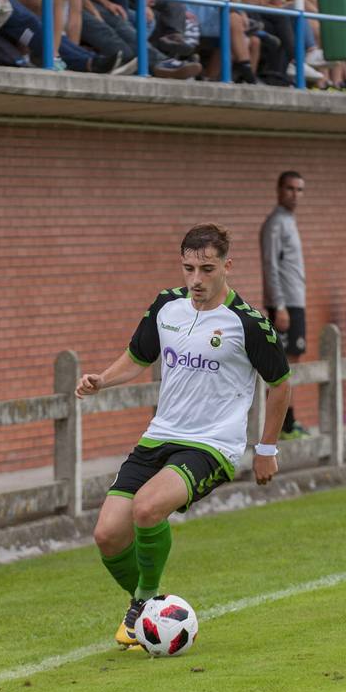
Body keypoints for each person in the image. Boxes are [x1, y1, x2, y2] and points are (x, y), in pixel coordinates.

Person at [76, 224, 291, 649]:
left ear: (227, 266)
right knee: (106, 534)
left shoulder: (247, 323)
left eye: (206, 269)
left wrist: (266, 449)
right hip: (160, 436)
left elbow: (281, 383)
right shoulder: (166, 305)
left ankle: (140, 605)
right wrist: (103, 379)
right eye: (188, 268)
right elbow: (138, 356)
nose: (196, 280)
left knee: (148, 508)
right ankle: (154, 603)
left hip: (213, 443)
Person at [260, 170, 307, 438]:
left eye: (300, 190)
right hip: (284, 305)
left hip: (295, 302)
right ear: (279, 190)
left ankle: (289, 423)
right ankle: (279, 427)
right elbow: (270, 265)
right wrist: (278, 306)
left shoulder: (289, 221)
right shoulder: (275, 223)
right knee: (283, 368)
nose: (295, 194)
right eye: (290, 189)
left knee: (295, 363)